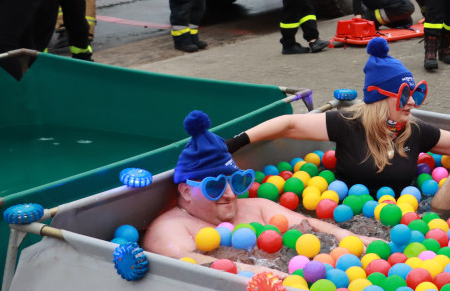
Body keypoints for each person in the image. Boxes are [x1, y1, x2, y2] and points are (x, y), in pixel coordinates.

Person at [224, 37, 450, 195]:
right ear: (380, 98)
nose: (413, 101)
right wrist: (235, 143)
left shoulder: (414, 130)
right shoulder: (348, 123)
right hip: (346, 219)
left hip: (405, 219)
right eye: (404, 95)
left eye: (415, 93)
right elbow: (289, 125)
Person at [143, 110, 359, 267]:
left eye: (237, 182)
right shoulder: (170, 229)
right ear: (187, 191)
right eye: (215, 187)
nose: (230, 194)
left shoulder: (258, 206)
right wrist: (264, 276)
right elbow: (189, 264)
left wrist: (347, 236)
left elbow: (311, 225)